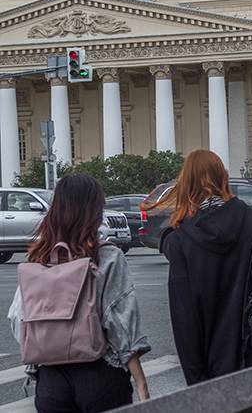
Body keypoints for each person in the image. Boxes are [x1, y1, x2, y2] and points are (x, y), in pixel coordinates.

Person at [150, 150, 252, 386]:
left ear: (185, 185)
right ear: (224, 178)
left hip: (219, 369)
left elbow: (185, 320)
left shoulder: (180, 241)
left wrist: (196, 383)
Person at [8, 174, 150, 411]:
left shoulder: (38, 258)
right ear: (94, 211)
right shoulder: (107, 256)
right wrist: (141, 382)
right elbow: (121, 322)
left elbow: (17, 317)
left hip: (51, 381)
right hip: (100, 375)